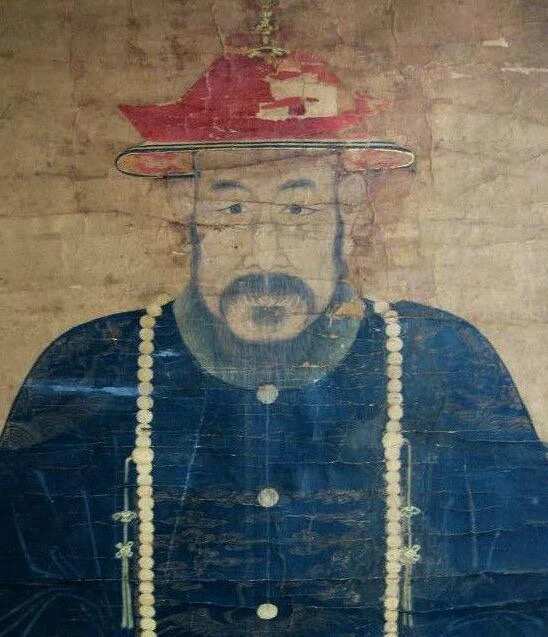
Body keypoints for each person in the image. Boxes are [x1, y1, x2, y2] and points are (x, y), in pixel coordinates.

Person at [0, 51, 546, 637]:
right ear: (185, 207)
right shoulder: (92, 363)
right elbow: (25, 603)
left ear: (350, 208)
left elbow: (518, 600)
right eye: (232, 209)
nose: (264, 253)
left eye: (298, 209)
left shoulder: (442, 358)